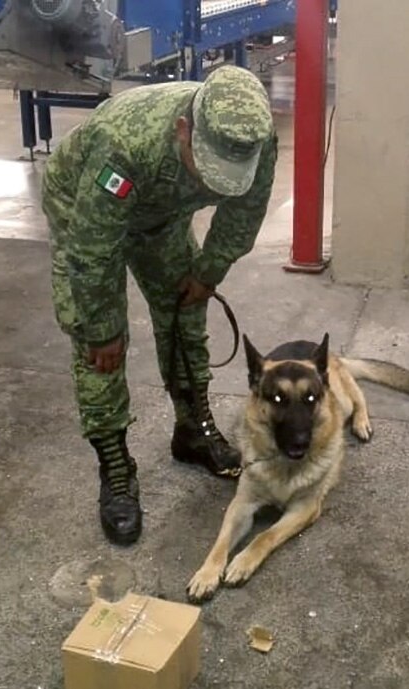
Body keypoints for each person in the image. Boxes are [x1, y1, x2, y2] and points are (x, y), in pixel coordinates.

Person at [40, 65, 278, 546]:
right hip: (81, 209)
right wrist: (102, 325)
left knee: (184, 310)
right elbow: (92, 246)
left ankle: (193, 430)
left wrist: (208, 271)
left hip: (161, 215)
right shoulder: (125, 144)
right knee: (98, 346)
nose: (218, 184)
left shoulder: (256, 137)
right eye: (208, 169)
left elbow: (244, 212)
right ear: (183, 131)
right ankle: (115, 467)